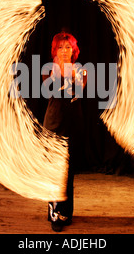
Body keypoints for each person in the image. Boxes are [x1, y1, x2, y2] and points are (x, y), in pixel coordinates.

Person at [42, 32, 87, 232]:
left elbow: (77, 91)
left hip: (74, 124)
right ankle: (54, 214)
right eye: (60, 47)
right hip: (54, 122)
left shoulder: (81, 70)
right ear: (55, 50)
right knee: (54, 170)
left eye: (68, 47)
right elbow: (50, 91)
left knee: (68, 172)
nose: (64, 51)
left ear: (74, 50)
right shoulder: (48, 69)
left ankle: (65, 213)